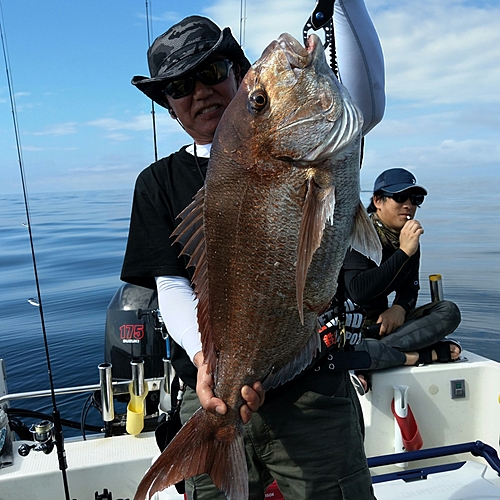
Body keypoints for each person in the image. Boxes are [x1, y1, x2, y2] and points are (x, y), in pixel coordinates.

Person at [121, 3, 385, 498]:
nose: (199, 92)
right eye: (179, 87)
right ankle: (215, 434)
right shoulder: (157, 184)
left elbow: (367, 95)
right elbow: (171, 285)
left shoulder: (319, 137)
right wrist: (208, 364)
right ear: (168, 105)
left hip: (311, 388)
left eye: (212, 72)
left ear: (236, 72)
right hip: (211, 394)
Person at [341, 168, 462, 394]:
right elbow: (358, 291)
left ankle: (369, 358)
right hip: (348, 329)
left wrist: (400, 307)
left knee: (449, 311)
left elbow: (409, 289)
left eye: (415, 199)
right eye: (399, 197)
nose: (408, 205)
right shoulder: (358, 234)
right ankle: (424, 354)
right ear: (378, 200)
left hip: (385, 329)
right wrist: (403, 253)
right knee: (349, 348)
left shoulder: (407, 238)